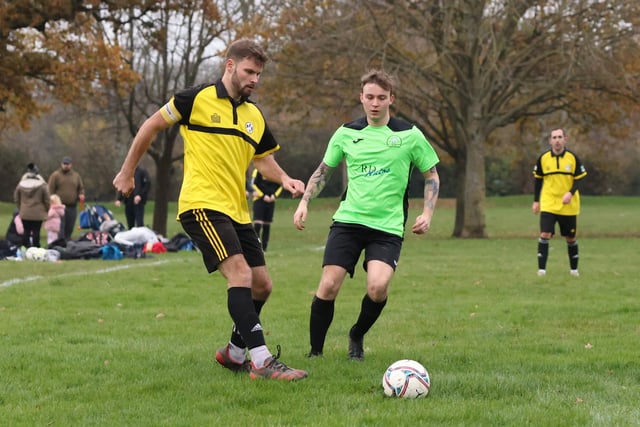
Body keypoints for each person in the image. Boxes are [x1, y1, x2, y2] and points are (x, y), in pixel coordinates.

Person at [113, 38, 307, 381]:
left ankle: (234, 353)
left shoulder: (254, 115)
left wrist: (286, 178)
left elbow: (263, 160)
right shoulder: (195, 99)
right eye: (249, 71)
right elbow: (151, 126)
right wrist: (127, 171)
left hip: (238, 211)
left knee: (262, 285)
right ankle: (262, 362)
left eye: (259, 74)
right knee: (241, 276)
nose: (254, 80)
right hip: (201, 205)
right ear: (229, 66)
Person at [293, 70, 440, 361]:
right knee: (328, 284)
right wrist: (304, 202)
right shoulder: (346, 132)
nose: (375, 103)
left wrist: (427, 212)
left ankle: (357, 334)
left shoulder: (409, 135)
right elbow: (323, 171)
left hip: (387, 226)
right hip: (348, 222)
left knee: (377, 286)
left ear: (391, 99)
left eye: (381, 98)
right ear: (361, 97)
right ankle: (316, 352)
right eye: (370, 97)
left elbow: (432, 175)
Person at [532, 128, 587, 277]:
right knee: (545, 233)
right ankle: (541, 270)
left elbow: (579, 178)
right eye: (554, 137)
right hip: (549, 202)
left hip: (568, 205)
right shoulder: (543, 158)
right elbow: (538, 180)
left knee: (571, 238)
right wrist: (536, 201)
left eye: (560, 137)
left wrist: (570, 192)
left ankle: (574, 270)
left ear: (565, 140)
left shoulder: (572, 158)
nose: (557, 140)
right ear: (550, 141)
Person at [48, 156, 85, 240]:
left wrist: (81, 194)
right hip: (59, 206)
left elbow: (81, 188)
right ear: (61, 164)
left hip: (72, 206)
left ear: (71, 165)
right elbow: (50, 190)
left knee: (70, 226)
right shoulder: (55, 175)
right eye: (64, 164)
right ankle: (60, 242)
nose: (66, 166)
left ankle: (68, 243)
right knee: (61, 227)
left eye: (67, 164)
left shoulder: (76, 176)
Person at [14, 163, 50, 248]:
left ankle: (25, 247)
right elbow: (47, 199)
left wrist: (21, 208)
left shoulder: (21, 184)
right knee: (36, 231)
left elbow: (16, 198)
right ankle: (36, 248)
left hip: (25, 212)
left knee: (26, 230)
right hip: (38, 212)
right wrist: (46, 209)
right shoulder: (42, 185)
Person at [251, 168, 283, 251]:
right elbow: (253, 184)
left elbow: (281, 185)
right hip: (259, 200)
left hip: (270, 201)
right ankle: (256, 247)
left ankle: (264, 248)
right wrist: (262, 195)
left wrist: (274, 195)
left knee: (267, 225)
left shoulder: (275, 171)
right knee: (258, 224)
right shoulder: (257, 171)